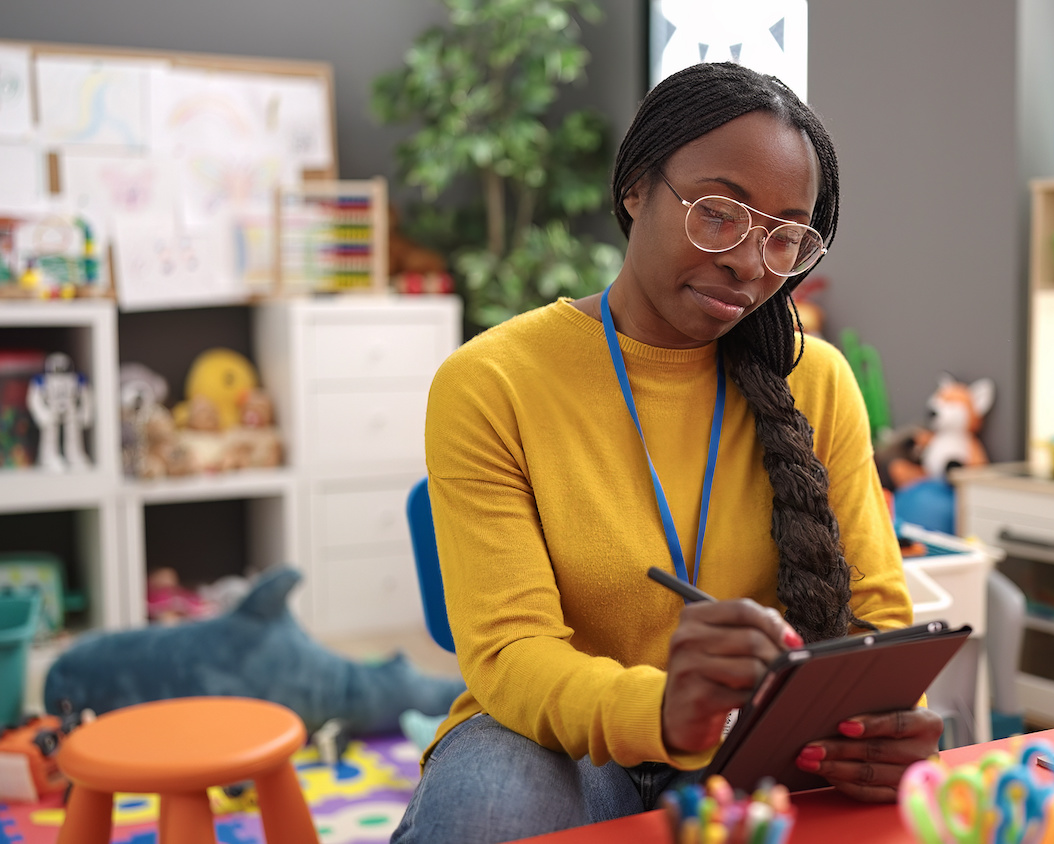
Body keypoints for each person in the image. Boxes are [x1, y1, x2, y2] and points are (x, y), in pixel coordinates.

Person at [392, 62, 941, 844]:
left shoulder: (815, 380)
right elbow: (510, 651)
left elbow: (876, 616)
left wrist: (892, 726)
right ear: (636, 189)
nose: (749, 265)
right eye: (719, 213)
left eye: (784, 237)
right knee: (490, 809)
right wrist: (662, 710)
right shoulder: (492, 381)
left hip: (760, 741)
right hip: (560, 741)